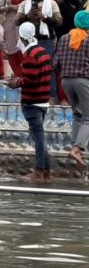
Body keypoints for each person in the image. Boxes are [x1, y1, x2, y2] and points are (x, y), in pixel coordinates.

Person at [8, 22, 52, 182]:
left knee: (38, 136)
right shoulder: (43, 52)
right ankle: (46, 171)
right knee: (39, 135)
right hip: (43, 100)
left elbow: (30, 79)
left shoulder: (30, 56)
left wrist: (16, 82)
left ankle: (39, 171)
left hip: (32, 101)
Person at [16, 0, 63, 103]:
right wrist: (27, 16)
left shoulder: (52, 4)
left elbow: (59, 22)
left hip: (46, 41)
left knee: (48, 69)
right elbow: (16, 21)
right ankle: (32, 96)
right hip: (28, 42)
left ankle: (51, 96)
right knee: (29, 68)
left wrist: (45, 17)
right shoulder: (24, 4)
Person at [53, 10, 89, 169]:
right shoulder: (87, 40)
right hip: (82, 81)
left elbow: (55, 63)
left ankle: (75, 145)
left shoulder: (63, 38)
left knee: (77, 114)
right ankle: (77, 148)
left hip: (65, 81)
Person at [0, 0, 30, 77]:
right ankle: (17, 74)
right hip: (9, 23)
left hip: (23, 22)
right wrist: (9, 7)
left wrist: (16, 7)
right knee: (11, 48)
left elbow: (31, 4)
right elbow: (0, 7)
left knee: (23, 47)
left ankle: (26, 74)